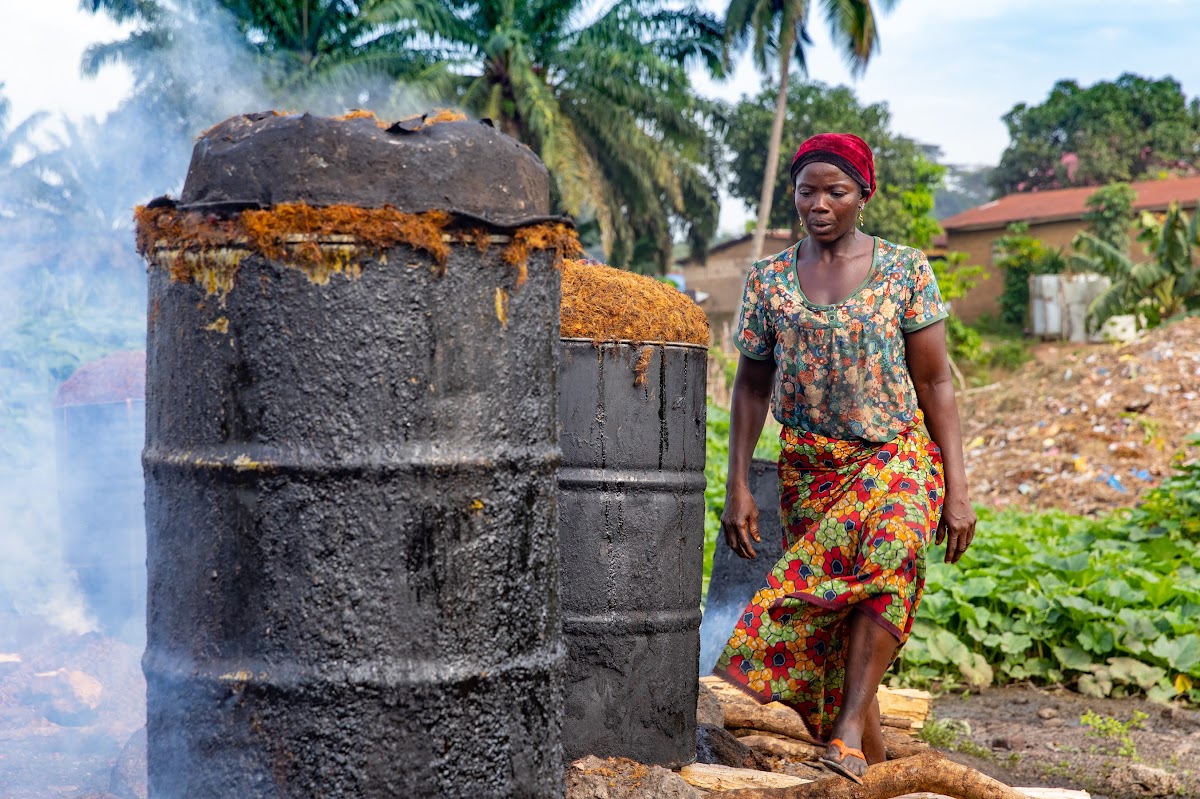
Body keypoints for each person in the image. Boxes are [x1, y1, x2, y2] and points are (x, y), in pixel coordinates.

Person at [713, 133, 976, 784]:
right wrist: (739, 483)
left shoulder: (905, 270)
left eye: (836, 190)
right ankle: (870, 763)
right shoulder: (770, 280)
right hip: (811, 469)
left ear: (865, 194)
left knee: (890, 558)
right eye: (807, 190)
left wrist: (958, 485)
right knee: (832, 625)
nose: (820, 203)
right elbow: (750, 385)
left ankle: (851, 728)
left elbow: (936, 381)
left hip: (895, 454)